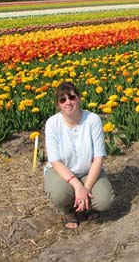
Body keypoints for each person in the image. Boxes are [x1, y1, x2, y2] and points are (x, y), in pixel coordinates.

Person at [44, 81, 115, 229]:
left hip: (88, 170)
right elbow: (56, 162)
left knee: (105, 201)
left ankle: (87, 205)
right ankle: (68, 210)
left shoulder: (92, 120)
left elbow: (98, 159)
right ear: (58, 105)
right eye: (62, 100)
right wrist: (77, 186)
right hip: (62, 172)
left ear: (79, 98)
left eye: (71, 97)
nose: (68, 102)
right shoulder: (52, 124)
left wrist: (86, 189)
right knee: (59, 194)